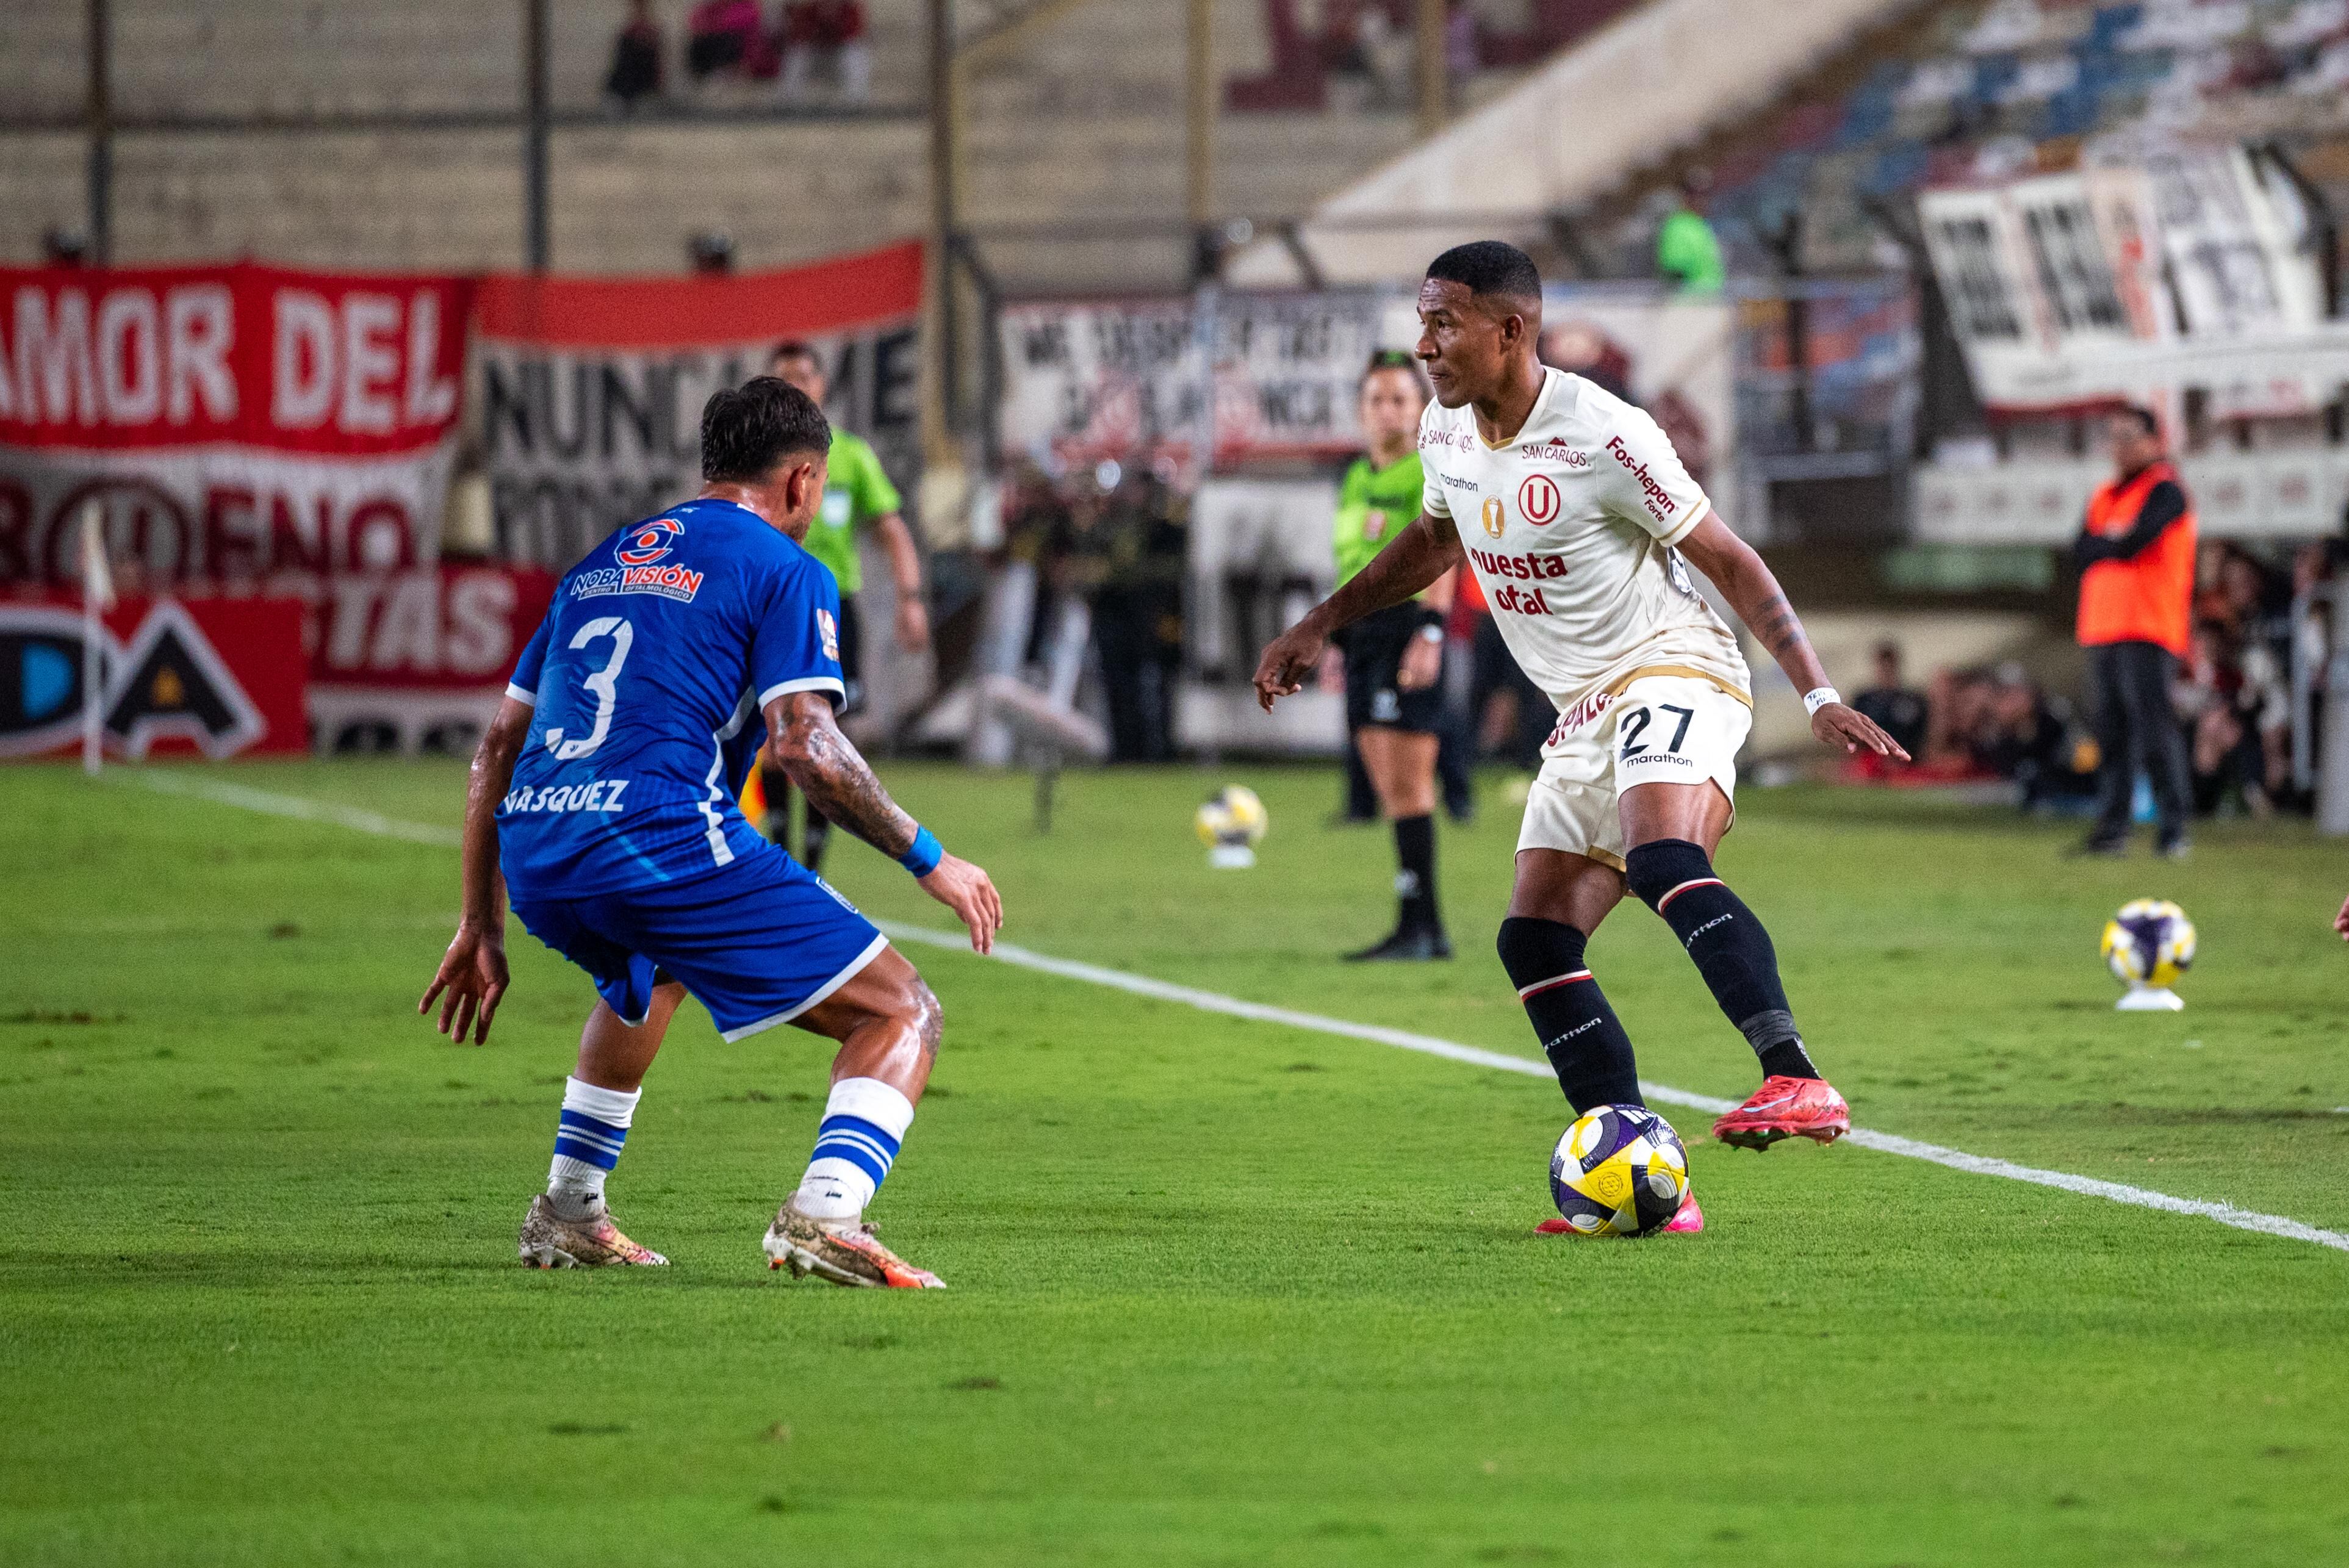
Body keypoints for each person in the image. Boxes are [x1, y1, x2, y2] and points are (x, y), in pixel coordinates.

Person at [1254, 242, 1907, 1225]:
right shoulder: (1443, 429)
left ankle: (1797, 1075)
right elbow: (1434, 540)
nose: (1423, 345)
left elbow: (1729, 558)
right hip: (1584, 708)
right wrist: (1321, 621)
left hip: (1674, 663)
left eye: (1443, 323)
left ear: (1509, 330)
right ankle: (1647, 1176)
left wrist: (1814, 692)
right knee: (1533, 938)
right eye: (1422, 323)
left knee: (1662, 854)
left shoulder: (1604, 431)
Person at [418, 377, 1001, 1288]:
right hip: (652, 833)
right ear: (803, 481)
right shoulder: (785, 568)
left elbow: (496, 746)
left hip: (536, 846)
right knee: (901, 1008)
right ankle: (828, 1213)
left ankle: (569, 1209)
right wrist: (930, 858)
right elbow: (805, 744)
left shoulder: (600, 564)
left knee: (651, 973)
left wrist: (479, 922)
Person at [754, 340, 929, 872]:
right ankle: (779, 854)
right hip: (770, 608)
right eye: (786, 377)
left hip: (832, 610)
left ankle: (812, 866)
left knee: (825, 734)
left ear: (823, 384)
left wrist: (910, 599)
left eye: (805, 376)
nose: (797, 386)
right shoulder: (756, 458)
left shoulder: (850, 455)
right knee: (769, 733)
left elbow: (891, 530)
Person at [1331, 349, 1458, 960]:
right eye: (1377, 399)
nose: (1388, 411)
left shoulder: (1426, 472)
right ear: (1361, 410)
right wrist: (1336, 640)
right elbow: (1350, 562)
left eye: (1400, 399)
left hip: (1405, 628)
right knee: (1389, 787)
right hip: (1361, 637)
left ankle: (1424, 926)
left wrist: (1430, 631)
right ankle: (1415, 922)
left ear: (1421, 408)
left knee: (1409, 785)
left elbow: (1444, 553)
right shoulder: (1357, 476)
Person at [2073, 404, 2196, 858]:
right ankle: (2112, 831)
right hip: (2103, 627)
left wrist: (2109, 544)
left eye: (2129, 436)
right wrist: (2114, 543)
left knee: (2155, 731)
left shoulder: (2167, 490)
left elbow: (2133, 542)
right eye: (2113, 437)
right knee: (2112, 735)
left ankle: (2174, 830)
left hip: (2148, 627)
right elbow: (2079, 550)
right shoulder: (2105, 494)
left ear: (2153, 441)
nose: (2119, 447)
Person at [780, 0, 872, 103]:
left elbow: (851, 34)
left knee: (855, 53)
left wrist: (832, 20)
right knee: (797, 52)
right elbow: (800, 35)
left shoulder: (849, 8)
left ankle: (856, 99)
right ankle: (789, 100)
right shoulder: (810, 9)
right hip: (815, 54)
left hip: (838, 55)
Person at [1853, 640, 1929, 762]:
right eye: (1883, 668)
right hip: (1871, 760)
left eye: (1889, 667)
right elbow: (1855, 737)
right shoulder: (1863, 701)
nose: (1886, 672)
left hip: (1906, 760)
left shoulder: (1913, 701)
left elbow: (1922, 736)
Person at [1656, 171, 1725, 295]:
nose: (1702, 200)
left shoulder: (1701, 224)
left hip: (1711, 298)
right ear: (1686, 196)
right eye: (1695, 195)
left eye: (1705, 195)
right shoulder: (1677, 225)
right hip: (1690, 301)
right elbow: (1674, 270)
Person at [604, 0, 665, 112]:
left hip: (643, 79)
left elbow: (657, 62)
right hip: (629, 78)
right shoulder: (628, 33)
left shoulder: (652, 32)